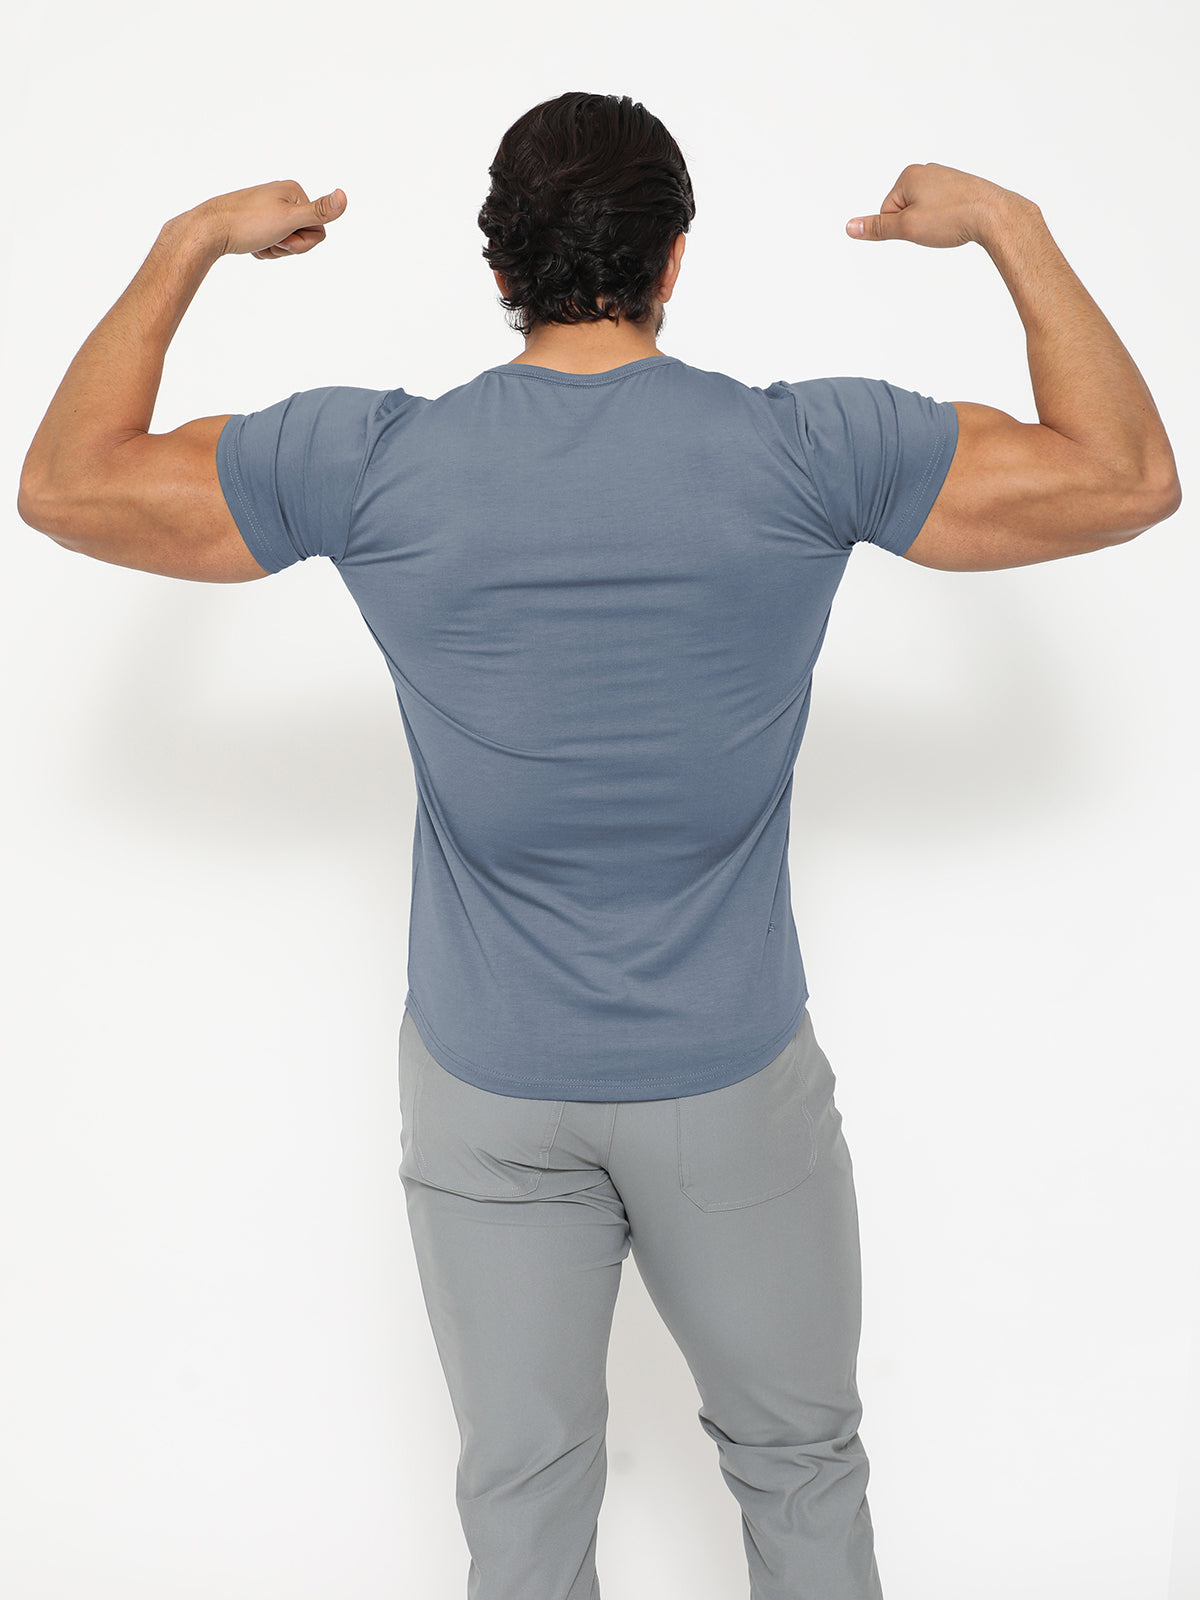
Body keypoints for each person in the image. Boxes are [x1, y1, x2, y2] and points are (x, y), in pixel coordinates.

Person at [18, 90, 1181, 1600]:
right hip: (731, 1083)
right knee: (799, 1466)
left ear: (500, 268)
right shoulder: (807, 448)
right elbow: (1126, 476)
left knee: (524, 1499)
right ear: (674, 260)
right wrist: (1009, 229)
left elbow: (66, 485)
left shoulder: (372, 462)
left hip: (489, 1092)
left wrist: (190, 245)